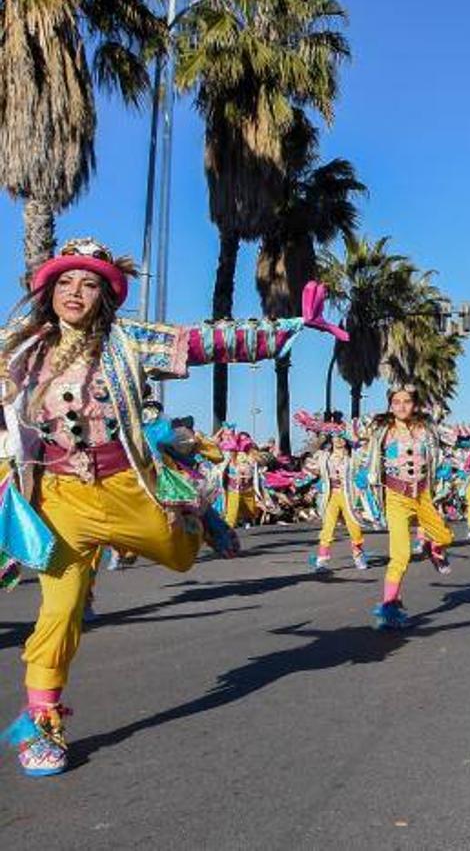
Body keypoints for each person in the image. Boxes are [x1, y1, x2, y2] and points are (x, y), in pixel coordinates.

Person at [0, 238, 337, 777]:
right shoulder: (20, 348)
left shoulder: (127, 340)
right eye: (65, 281)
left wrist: (287, 328)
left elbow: (207, 341)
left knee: (179, 557)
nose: (75, 292)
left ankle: (198, 515)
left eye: (88, 284)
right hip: (59, 498)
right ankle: (42, 723)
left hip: (129, 487)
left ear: (104, 296)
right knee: (59, 611)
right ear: (49, 289)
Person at [363, 385, 453, 629]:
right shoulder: (382, 430)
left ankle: (430, 546)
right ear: (390, 405)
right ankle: (389, 606)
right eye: (396, 402)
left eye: (406, 401)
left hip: (422, 495)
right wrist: (365, 476)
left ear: (415, 405)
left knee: (445, 537)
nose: (401, 406)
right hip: (396, 497)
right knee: (400, 556)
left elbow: (439, 453)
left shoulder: (426, 429)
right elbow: (368, 456)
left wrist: (444, 470)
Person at [307, 431, 366, 572]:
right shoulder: (324, 457)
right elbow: (314, 472)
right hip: (331, 495)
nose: (339, 440)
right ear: (331, 440)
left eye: (342, 438)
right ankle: (322, 559)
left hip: (349, 496)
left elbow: (364, 471)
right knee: (328, 527)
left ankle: (358, 555)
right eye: (335, 438)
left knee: (354, 527)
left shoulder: (354, 457)